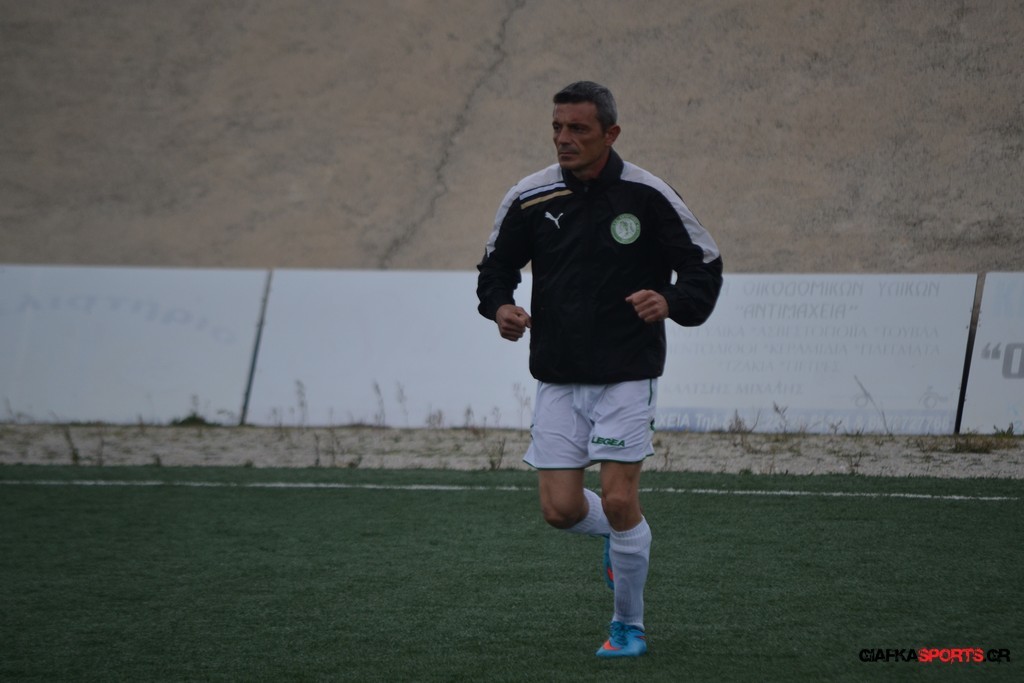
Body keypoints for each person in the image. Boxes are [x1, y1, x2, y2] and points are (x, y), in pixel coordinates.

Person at [476, 81, 723, 658]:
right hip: (558, 373)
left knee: (617, 499)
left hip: (627, 372)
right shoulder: (530, 195)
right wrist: (500, 307)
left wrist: (672, 301)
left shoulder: (647, 193)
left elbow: (703, 263)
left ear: (610, 134)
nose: (564, 138)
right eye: (557, 127)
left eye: (578, 128)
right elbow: (495, 267)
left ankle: (627, 627)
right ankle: (621, 538)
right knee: (560, 511)